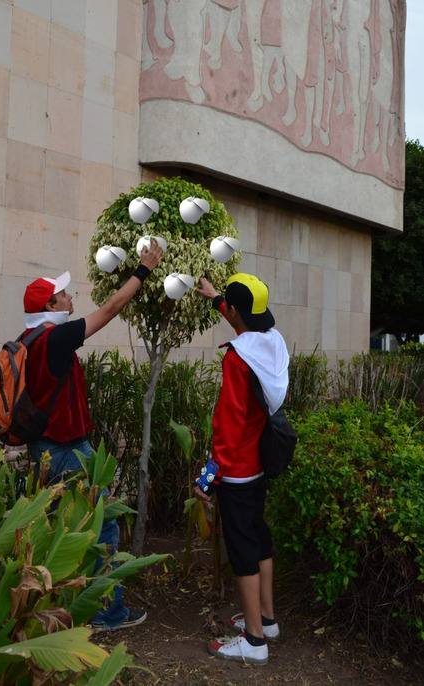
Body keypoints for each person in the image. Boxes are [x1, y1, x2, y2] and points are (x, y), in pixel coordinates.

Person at [21, 240, 163, 631]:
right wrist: (143, 269)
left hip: (48, 448)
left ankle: (64, 609)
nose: (70, 296)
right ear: (50, 307)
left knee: (63, 529)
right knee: (102, 527)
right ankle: (106, 613)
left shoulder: (30, 340)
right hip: (66, 451)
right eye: (63, 293)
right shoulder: (55, 339)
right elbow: (111, 309)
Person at [194, 273, 289, 665]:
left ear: (235, 313)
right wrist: (216, 296)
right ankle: (266, 620)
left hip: (236, 472)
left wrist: (206, 478)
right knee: (259, 538)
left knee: (243, 550)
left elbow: (227, 427)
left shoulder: (237, 359)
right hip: (261, 466)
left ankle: (253, 641)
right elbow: (243, 319)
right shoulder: (273, 342)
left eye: (228, 308)